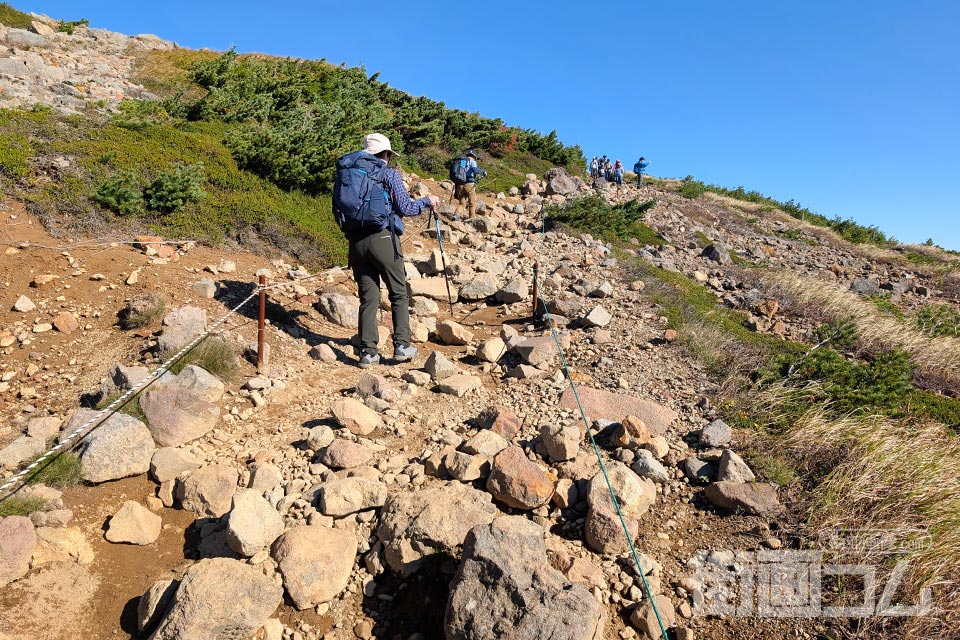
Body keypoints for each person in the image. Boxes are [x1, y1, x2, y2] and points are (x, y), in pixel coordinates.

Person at [338, 133, 439, 368]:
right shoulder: (388, 173)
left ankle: (367, 352)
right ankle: (402, 345)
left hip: (355, 242)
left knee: (368, 298)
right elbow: (406, 207)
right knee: (398, 292)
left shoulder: (348, 173)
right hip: (383, 238)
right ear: (384, 155)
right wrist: (427, 201)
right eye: (388, 156)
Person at [454, 149, 486, 218]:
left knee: (462, 204)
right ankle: (472, 219)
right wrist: (483, 171)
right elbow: (475, 170)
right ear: (474, 156)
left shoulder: (462, 162)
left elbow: (460, 172)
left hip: (460, 185)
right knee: (472, 203)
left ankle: (456, 215)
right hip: (469, 185)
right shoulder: (473, 161)